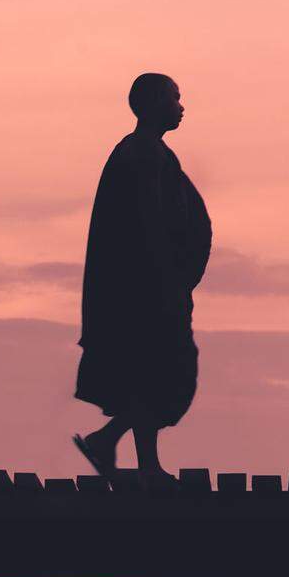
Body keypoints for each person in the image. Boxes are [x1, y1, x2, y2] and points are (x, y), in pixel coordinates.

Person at [72, 73, 212, 488]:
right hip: (146, 287)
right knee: (167, 372)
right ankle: (111, 442)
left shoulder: (149, 152)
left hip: (147, 285)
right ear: (152, 103)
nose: (181, 106)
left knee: (146, 374)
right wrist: (167, 280)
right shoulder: (141, 155)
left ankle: (139, 459)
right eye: (175, 98)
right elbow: (150, 223)